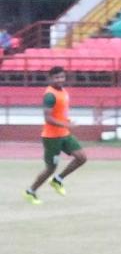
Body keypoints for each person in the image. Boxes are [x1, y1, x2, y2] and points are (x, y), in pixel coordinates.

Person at [23, 66, 88, 205]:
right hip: (52, 138)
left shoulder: (63, 91)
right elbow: (48, 118)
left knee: (82, 158)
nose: (60, 80)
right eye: (57, 77)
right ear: (50, 78)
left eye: (62, 77)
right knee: (50, 168)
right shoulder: (49, 95)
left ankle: (57, 180)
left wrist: (67, 121)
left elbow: (60, 113)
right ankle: (30, 191)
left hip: (64, 134)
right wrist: (66, 125)